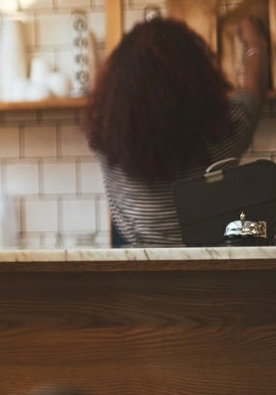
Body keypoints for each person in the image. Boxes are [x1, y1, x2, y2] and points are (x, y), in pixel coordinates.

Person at [84, 15, 269, 247]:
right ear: (196, 79)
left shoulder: (107, 143)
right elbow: (252, 91)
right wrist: (256, 44)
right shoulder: (223, 135)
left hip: (137, 275)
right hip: (208, 273)